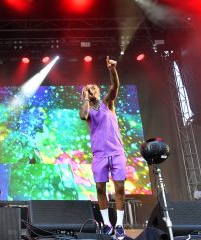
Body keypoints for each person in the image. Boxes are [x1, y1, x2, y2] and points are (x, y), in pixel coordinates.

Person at [79, 56, 126, 239]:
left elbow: (114, 87)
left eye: (92, 89)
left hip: (116, 152)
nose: (90, 91)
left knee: (120, 187)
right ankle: (107, 224)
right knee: (100, 188)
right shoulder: (87, 110)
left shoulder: (107, 103)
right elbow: (83, 116)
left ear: (98, 92)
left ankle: (120, 225)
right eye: (87, 90)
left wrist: (112, 70)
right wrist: (84, 98)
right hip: (99, 155)